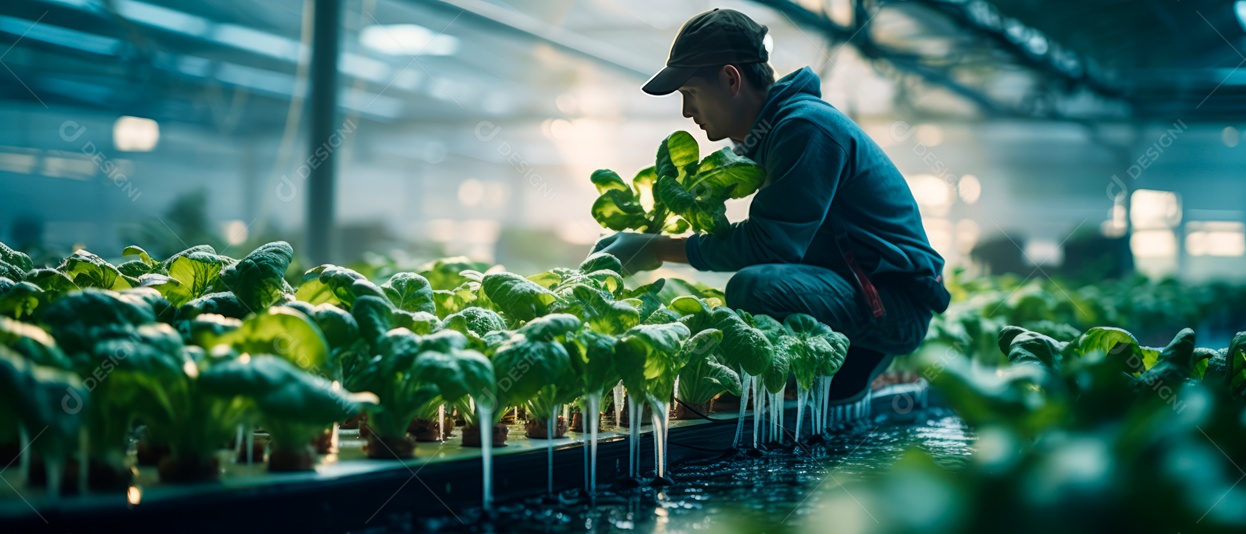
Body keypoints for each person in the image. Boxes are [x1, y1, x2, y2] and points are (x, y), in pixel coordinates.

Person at [595, 8, 951, 412]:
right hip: (867, 292)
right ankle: (820, 378)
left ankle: (847, 366)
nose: (685, 111)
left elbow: (769, 244)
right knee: (739, 293)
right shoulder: (777, 133)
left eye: (690, 93)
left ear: (731, 79)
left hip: (893, 305)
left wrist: (657, 248)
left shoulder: (805, 129)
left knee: (754, 286)